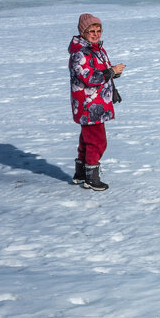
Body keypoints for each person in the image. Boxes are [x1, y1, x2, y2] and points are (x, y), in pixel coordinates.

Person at [69, 13, 124, 191]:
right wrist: (111, 72)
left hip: (98, 102)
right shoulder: (80, 53)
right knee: (98, 141)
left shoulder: (96, 49)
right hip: (88, 105)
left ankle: (81, 173)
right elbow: (89, 78)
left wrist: (113, 72)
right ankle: (91, 177)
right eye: (91, 30)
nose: (95, 34)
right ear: (83, 32)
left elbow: (101, 72)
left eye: (98, 30)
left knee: (87, 139)